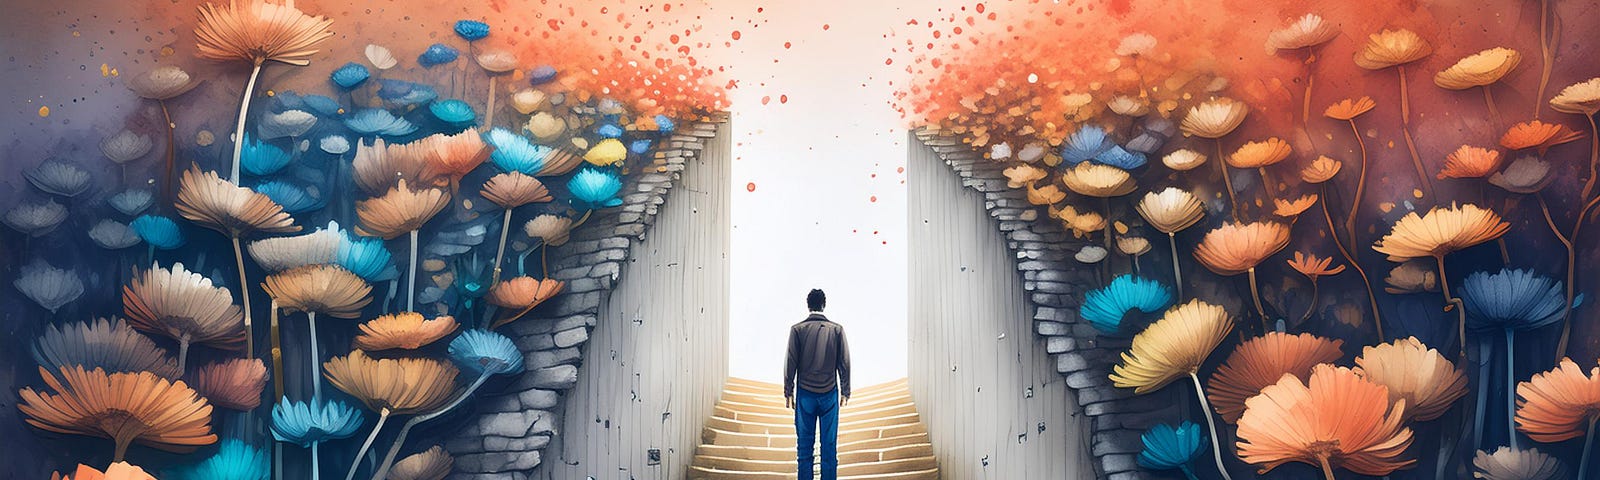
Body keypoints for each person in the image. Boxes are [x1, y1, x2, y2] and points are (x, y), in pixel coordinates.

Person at [784, 288, 851, 480]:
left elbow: (790, 361)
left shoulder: (797, 330)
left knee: (804, 449)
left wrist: (788, 391)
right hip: (829, 394)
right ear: (824, 305)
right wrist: (845, 391)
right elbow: (844, 362)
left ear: (808, 306)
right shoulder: (837, 330)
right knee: (829, 447)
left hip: (805, 395)